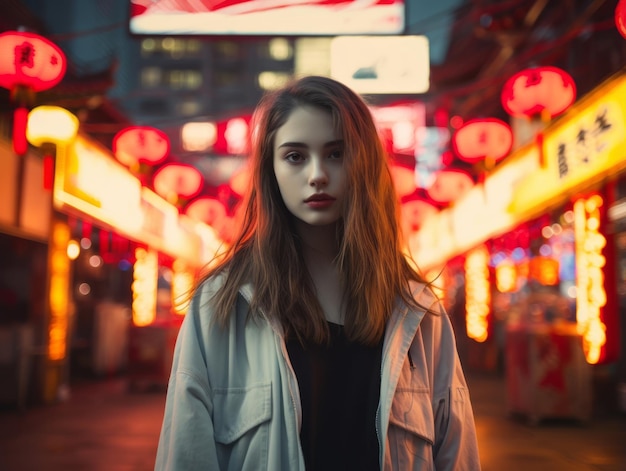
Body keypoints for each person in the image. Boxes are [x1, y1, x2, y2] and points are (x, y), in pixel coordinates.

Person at [154, 75, 481, 470]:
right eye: (295, 156)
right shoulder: (222, 305)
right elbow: (186, 454)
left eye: (336, 154)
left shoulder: (416, 310)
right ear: (270, 170)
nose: (317, 175)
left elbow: (455, 453)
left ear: (363, 163)